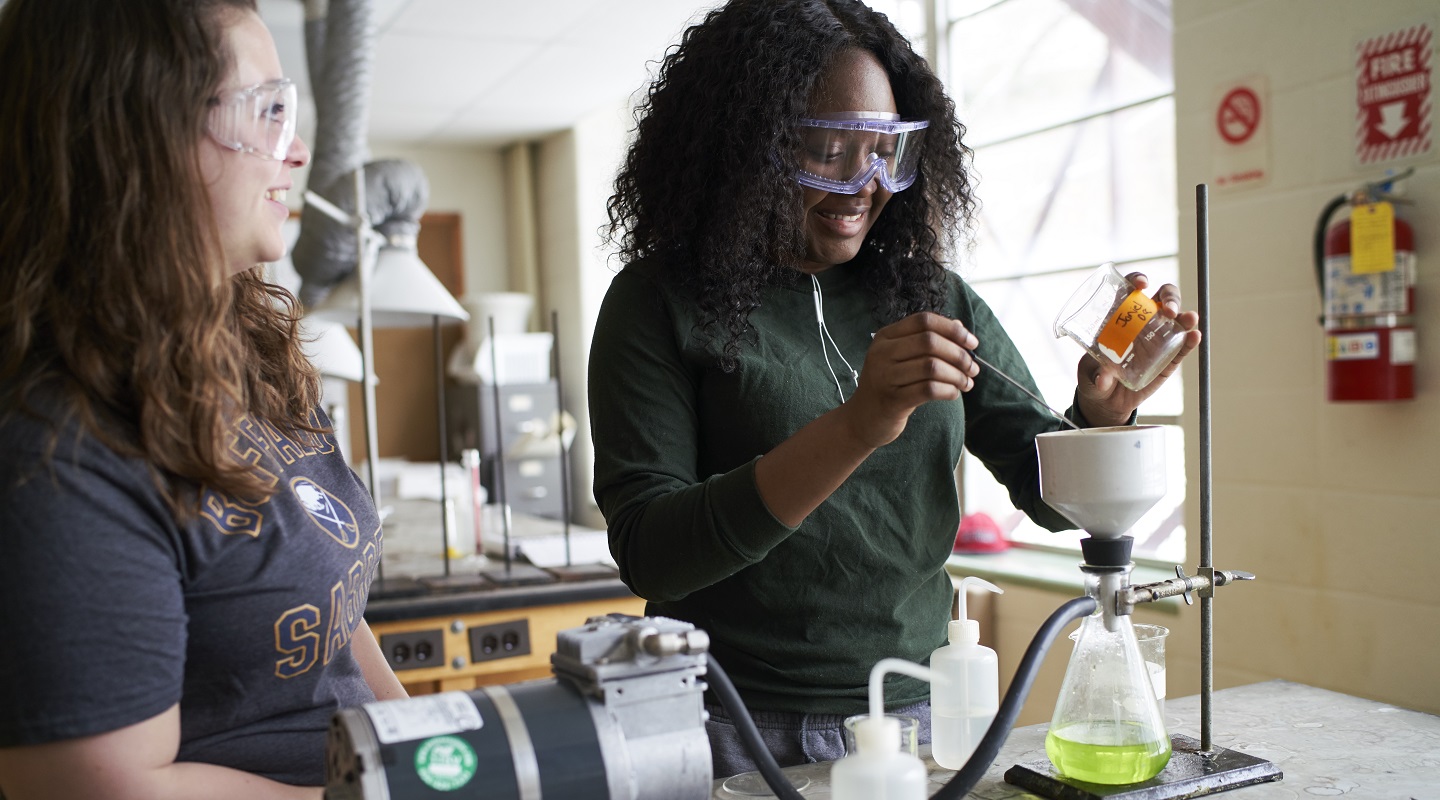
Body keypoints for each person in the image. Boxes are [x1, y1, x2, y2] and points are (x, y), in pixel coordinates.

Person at [589, 0, 1201, 778]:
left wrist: (1102, 417)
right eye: (828, 149)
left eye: (886, 149)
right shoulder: (658, 302)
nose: (865, 183)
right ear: (744, 150)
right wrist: (859, 422)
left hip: (912, 714)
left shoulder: (929, 293)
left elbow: (1048, 493)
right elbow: (652, 554)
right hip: (727, 723)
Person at [0, 1, 405, 797]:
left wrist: (436, 759)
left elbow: (336, 618)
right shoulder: (60, 442)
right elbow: (105, 785)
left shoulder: (250, 344)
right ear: (136, 134)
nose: (297, 153)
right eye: (267, 112)